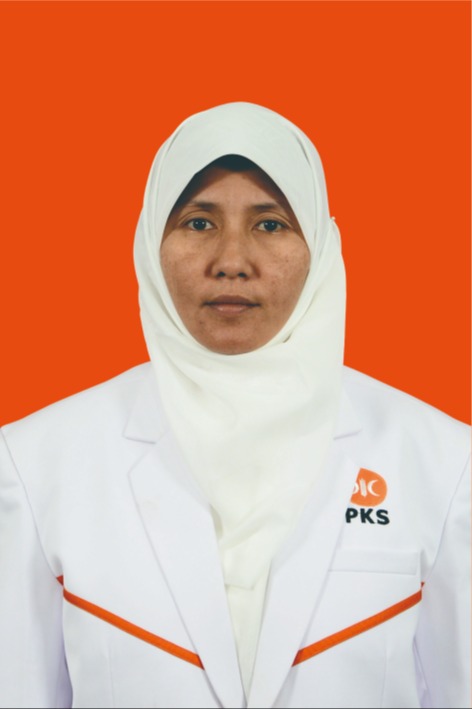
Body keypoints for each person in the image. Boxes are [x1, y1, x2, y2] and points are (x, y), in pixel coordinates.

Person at [0, 102, 469, 709]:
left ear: (319, 246)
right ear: (150, 240)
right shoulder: (35, 464)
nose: (230, 261)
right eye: (198, 222)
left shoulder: (441, 462)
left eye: (270, 224)